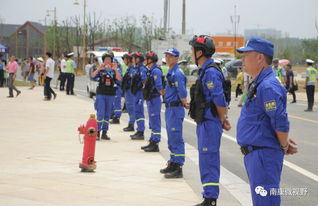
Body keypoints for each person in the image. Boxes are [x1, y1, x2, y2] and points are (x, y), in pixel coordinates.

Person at [236, 37, 298, 206]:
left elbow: (279, 120)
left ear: (260, 58)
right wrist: (282, 141)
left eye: (246, 55)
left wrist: (284, 144)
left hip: (263, 154)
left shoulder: (267, 86)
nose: (242, 60)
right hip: (257, 153)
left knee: (266, 201)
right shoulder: (259, 82)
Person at [188, 36, 231, 206]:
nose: (191, 53)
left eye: (193, 50)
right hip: (205, 121)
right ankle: (208, 196)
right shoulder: (205, 70)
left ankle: (211, 199)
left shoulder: (211, 71)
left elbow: (219, 100)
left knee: (209, 158)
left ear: (200, 52)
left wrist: (222, 118)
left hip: (210, 122)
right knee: (206, 158)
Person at [159, 48, 188, 179]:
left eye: (171, 56)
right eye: (167, 56)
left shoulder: (178, 73)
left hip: (176, 108)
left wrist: (184, 102)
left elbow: (182, 91)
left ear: (176, 58)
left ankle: (178, 167)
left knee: (176, 137)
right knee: (171, 137)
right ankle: (173, 162)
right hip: (170, 108)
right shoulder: (170, 71)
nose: (168, 58)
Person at [91, 51, 121, 140]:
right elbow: (92, 76)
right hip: (101, 94)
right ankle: (97, 133)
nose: (107, 61)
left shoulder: (115, 71)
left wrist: (115, 69)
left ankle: (104, 132)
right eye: (106, 59)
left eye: (109, 59)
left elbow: (119, 79)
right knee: (100, 114)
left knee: (107, 115)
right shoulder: (101, 70)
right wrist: (99, 69)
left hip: (110, 94)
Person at [141, 51, 164, 152]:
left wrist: (164, 95)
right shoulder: (151, 70)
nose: (144, 61)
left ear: (150, 60)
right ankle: (152, 140)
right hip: (150, 98)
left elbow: (159, 86)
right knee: (152, 121)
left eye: (146, 59)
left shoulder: (156, 71)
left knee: (155, 121)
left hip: (154, 99)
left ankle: (155, 143)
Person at [130, 52, 147, 140]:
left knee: (139, 111)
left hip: (139, 93)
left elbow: (144, 80)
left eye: (134, 58)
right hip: (136, 93)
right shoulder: (136, 68)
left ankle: (141, 132)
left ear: (138, 59)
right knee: (136, 111)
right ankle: (138, 130)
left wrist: (143, 90)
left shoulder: (141, 69)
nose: (132, 60)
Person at [121, 53, 136, 132]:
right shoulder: (129, 69)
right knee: (129, 107)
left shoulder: (132, 69)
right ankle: (131, 124)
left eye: (125, 59)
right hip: (127, 91)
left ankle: (131, 124)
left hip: (130, 91)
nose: (123, 61)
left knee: (131, 107)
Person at [110, 58, 123, 124]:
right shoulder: (112, 70)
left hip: (117, 88)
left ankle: (117, 117)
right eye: (112, 63)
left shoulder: (118, 70)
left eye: (114, 63)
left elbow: (119, 79)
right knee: (113, 103)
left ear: (117, 64)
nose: (113, 64)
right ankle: (113, 115)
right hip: (113, 89)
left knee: (117, 103)